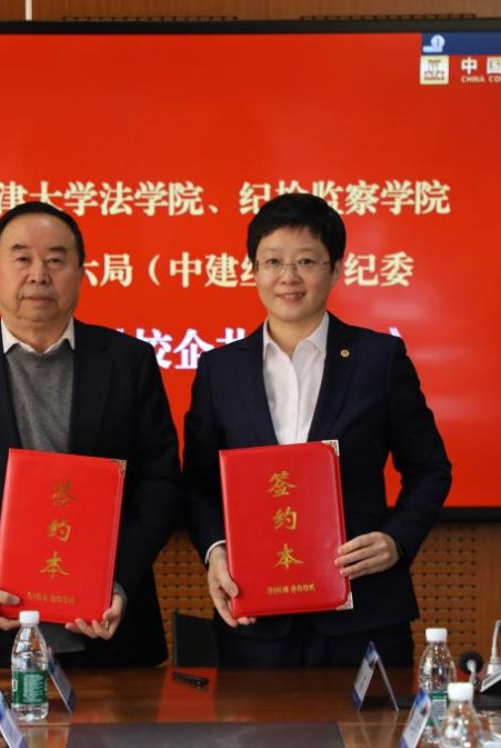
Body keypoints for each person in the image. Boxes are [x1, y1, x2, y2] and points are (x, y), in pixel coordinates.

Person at [0, 202, 180, 667]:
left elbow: (159, 485)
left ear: (80, 274)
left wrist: (117, 581)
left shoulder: (128, 362)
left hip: (107, 635)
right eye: (22, 258)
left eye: (56, 260)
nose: (39, 274)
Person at [183, 193, 452, 668]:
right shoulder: (219, 370)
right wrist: (215, 550)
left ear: (336, 269)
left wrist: (396, 540)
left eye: (306, 261)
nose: (288, 277)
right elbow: (197, 483)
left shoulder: (378, 360)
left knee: (373, 721)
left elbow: (430, 469)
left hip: (363, 612)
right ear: (252, 270)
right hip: (255, 618)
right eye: (273, 262)